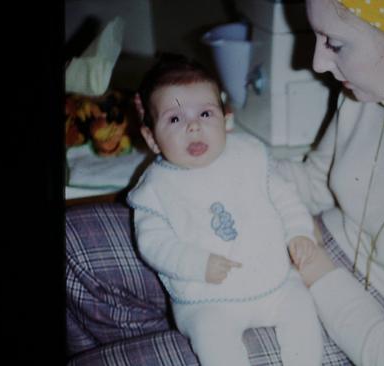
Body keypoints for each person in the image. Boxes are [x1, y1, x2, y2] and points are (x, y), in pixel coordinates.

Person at [65, 1, 384, 365]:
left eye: (334, 42)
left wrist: (311, 266)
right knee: (72, 246)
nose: (318, 62)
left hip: (360, 324)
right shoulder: (372, 90)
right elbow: (312, 180)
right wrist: (217, 176)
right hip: (299, 237)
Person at [126, 55, 322, 366]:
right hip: (207, 297)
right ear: (151, 138)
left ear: (226, 119)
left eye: (205, 113)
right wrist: (195, 262)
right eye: (175, 119)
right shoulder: (155, 189)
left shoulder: (249, 156)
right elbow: (154, 243)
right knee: (212, 339)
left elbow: (286, 197)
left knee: (302, 310)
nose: (193, 127)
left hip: (272, 280)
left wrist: (299, 232)